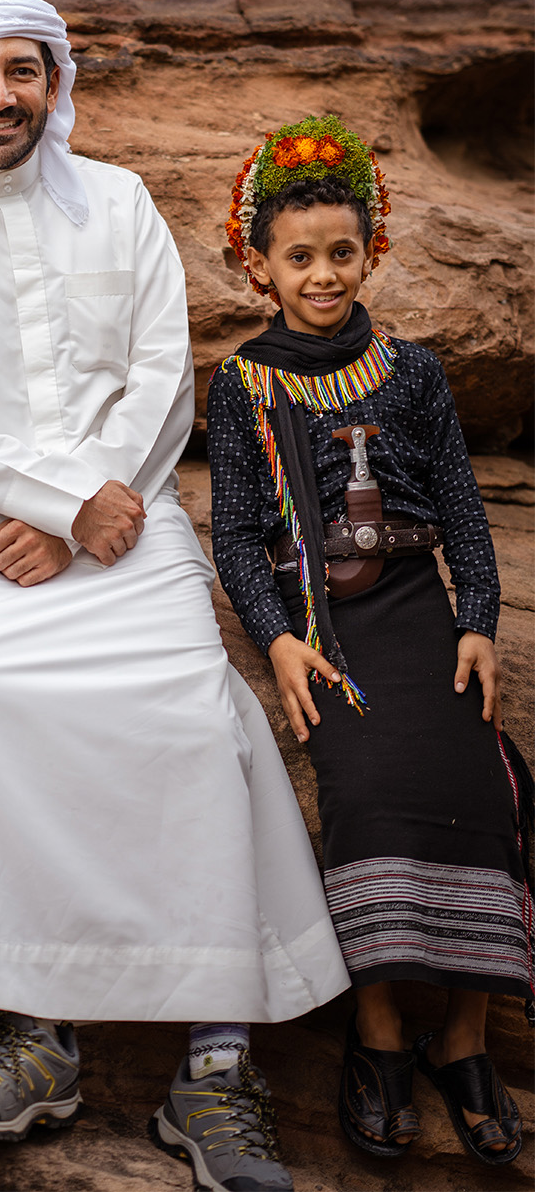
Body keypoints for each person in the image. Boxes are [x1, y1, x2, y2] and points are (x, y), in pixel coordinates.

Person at [0, 0, 350, 1190]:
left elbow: (163, 372)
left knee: (188, 702)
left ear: (57, 83)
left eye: (23, 70)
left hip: (118, 511)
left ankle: (214, 1069)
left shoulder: (117, 201)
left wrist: (90, 508)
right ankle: (32, 1037)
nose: (0, 95)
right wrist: (50, 506)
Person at [207, 114, 532, 1169]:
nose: (323, 274)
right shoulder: (245, 384)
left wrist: (477, 620)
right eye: (298, 257)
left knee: (483, 783)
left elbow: (461, 509)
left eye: (341, 252)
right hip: (326, 621)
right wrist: (278, 642)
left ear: (372, 249)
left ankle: (464, 1036)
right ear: (259, 265)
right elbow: (241, 539)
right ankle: (383, 1024)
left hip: (415, 609)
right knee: (368, 787)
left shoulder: (413, 373)